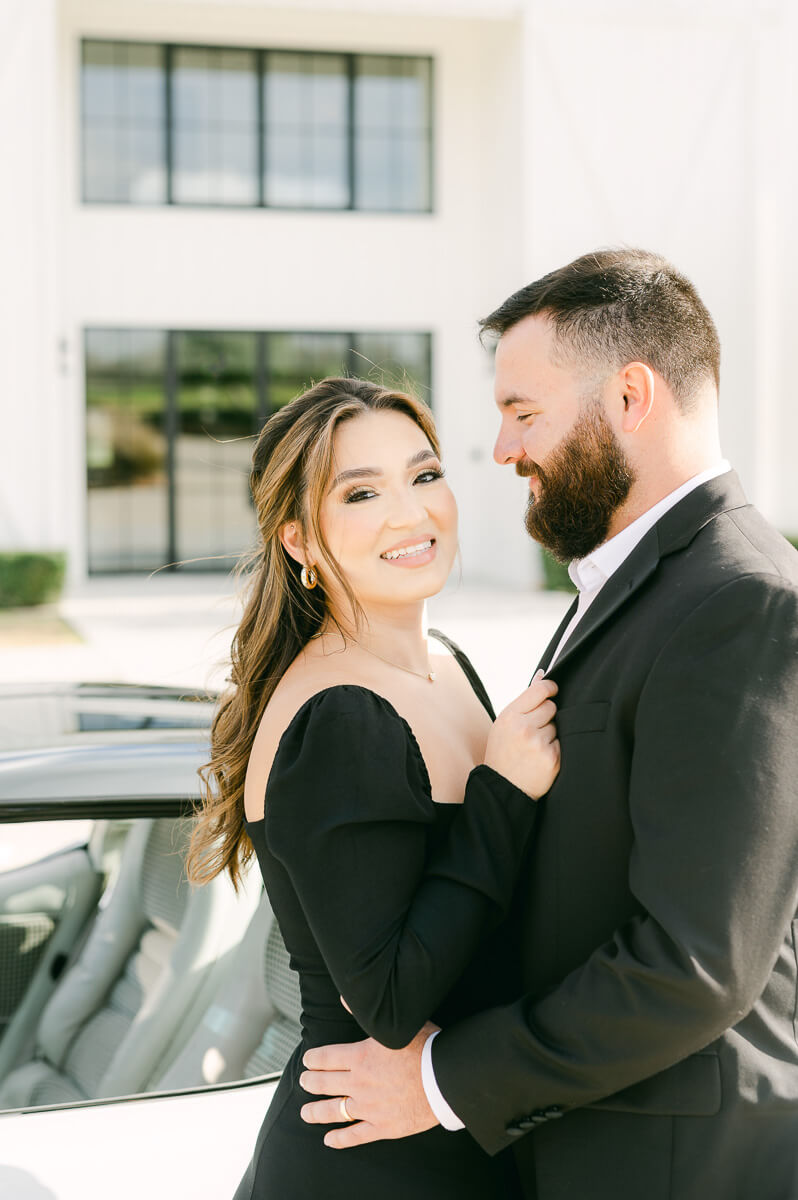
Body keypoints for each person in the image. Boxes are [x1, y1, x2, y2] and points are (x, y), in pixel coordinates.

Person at [299, 250, 798, 1199]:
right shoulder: (639, 581)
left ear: (631, 397)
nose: (500, 450)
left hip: (675, 1167)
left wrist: (444, 1084)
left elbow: (697, 963)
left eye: (522, 413)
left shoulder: (740, 602)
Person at [186, 376, 561, 1199]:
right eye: (361, 493)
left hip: (456, 1137)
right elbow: (389, 1000)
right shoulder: (340, 719)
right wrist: (501, 792)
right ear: (300, 541)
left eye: (424, 476)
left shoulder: (448, 664)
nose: (409, 512)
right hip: (372, 1165)